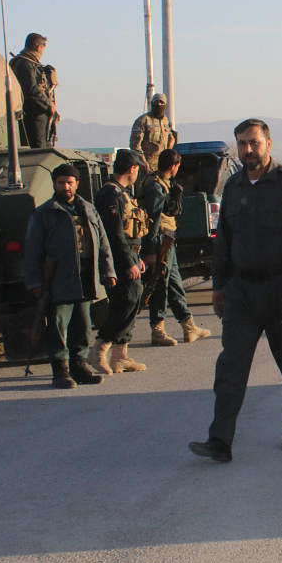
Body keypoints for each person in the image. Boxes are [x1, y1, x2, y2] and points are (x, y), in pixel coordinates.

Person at [189, 118, 282, 463]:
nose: (248, 150)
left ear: (268, 143)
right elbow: (224, 243)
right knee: (230, 367)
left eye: (253, 143)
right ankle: (220, 439)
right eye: (242, 144)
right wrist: (218, 287)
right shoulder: (233, 187)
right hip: (242, 292)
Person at [21, 163, 116, 388]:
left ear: (77, 183)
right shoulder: (44, 213)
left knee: (83, 325)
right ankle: (60, 371)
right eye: (62, 182)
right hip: (58, 279)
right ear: (55, 184)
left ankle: (79, 366)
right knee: (58, 325)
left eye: (70, 182)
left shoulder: (88, 209)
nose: (66, 186)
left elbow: (103, 243)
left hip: (85, 277)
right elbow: (32, 250)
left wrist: (108, 271)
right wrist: (34, 282)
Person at [140, 148, 210, 347]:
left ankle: (189, 326)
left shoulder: (163, 183)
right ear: (173, 166)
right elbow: (153, 218)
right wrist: (152, 250)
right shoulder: (155, 186)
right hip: (160, 240)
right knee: (160, 283)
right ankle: (158, 329)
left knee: (174, 283)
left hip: (167, 238)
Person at [90, 149, 149, 375]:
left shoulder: (122, 193)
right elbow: (114, 234)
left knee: (132, 301)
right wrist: (128, 263)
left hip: (130, 254)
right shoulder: (110, 194)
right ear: (132, 169)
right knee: (125, 302)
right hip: (118, 257)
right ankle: (99, 349)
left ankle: (120, 355)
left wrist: (137, 257)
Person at [9, 33, 53, 148]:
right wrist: (48, 105)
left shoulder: (27, 62)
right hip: (33, 117)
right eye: (43, 47)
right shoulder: (25, 64)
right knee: (38, 151)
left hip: (35, 114)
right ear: (38, 47)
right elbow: (31, 90)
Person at [130, 93, 177, 178]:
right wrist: (143, 162)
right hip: (146, 168)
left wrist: (168, 153)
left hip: (161, 168)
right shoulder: (143, 120)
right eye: (156, 102)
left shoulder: (165, 121)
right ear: (152, 104)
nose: (159, 104)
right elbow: (135, 145)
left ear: (165, 105)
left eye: (161, 102)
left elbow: (171, 138)